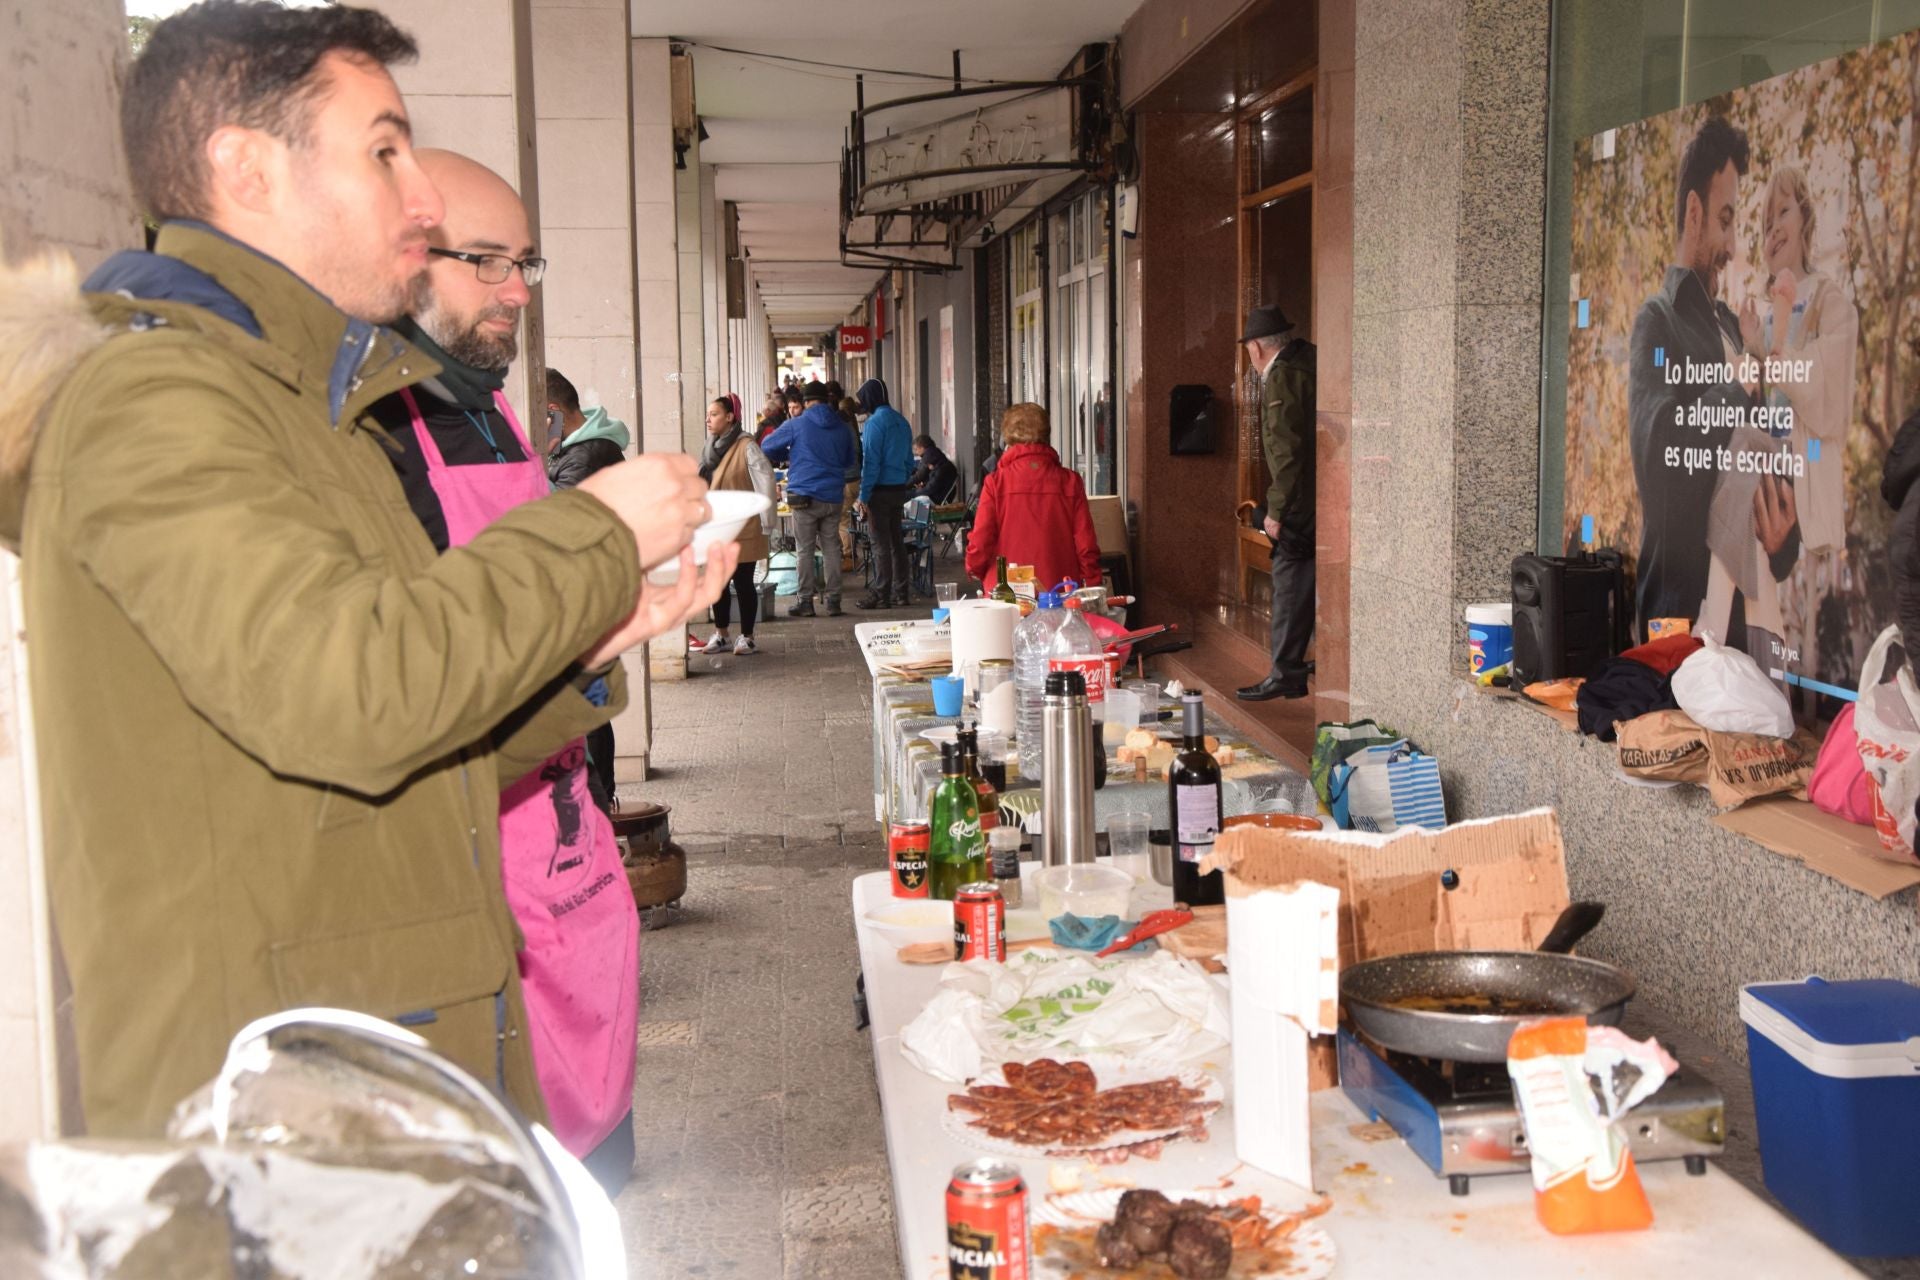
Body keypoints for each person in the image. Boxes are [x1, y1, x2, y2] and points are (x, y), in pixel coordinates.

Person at [0, 0, 731, 1138]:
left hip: (376, 1076)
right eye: (384, 149)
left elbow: (412, 735)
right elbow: (354, 692)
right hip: (284, 1123)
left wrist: (596, 635)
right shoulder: (159, 401)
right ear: (245, 168)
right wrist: (592, 531)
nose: (423, 196)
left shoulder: (311, 405)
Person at [369, 150, 641, 1189]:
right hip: (483, 887)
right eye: (484, 260)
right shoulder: (372, 438)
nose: (516, 290)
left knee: (599, 1188)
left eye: (525, 261)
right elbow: (418, 686)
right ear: (401, 253)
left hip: (572, 877)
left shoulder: (490, 404)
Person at [1628, 114, 1797, 650]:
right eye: (1725, 220)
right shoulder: (1657, 321)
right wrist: (1739, 385)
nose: (1731, 243)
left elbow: (1767, 461)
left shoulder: (1732, 329)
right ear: (1694, 213)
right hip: (1682, 631)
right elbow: (1658, 464)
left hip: (1747, 632)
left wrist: (1783, 538)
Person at [1714, 164, 1855, 689]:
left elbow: (1824, 393)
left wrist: (1771, 356)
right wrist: (1751, 346)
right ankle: (1748, 658)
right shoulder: (1769, 308)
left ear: (1807, 218)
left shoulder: (1828, 299)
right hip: (1766, 462)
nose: (1773, 228)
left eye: (1784, 212)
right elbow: (1759, 392)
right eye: (1766, 218)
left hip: (1801, 474)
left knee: (1743, 452)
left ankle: (1719, 627)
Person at [543, 366, 628, 812]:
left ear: (553, 413)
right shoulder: (584, 448)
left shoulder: (588, 454)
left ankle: (599, 803)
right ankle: (600, 800)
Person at [1236, 304, 1318, 702]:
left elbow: (1287, 452)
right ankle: (1296, 665)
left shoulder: (1283, 376)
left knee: (1288, 572)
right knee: (1304, 574)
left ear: (1255, 347)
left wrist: (1276, 512)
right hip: (1324, 491)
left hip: (1302, 498)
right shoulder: (1309, 361)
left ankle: (1286, 670)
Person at [965, 403, 1101, 593]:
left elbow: (981, 540)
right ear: (1046, 435)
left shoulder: (995, 483)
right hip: (1058, 589)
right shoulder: (1070, 482)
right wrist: (1092, 582)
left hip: (1005, 592)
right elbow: (1085, 544)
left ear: (1008, 439)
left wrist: (974, 568)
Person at [762, 380, 856, 617]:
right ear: (826, 400)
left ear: (806, 402)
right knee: (832, 547)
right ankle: (834, 601)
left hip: (804, 495)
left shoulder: (798, 424)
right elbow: (848, 461)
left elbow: (767, 445)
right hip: (833, 495)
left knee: (804, 549)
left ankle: (806, 601)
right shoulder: (842, 426)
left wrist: (789, 453)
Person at [698, 394, 777, 654]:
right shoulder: (710, 447)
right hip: (716, 527)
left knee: (743, 581)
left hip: (744, 527)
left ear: (730, 417)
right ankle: (721, 634)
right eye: (708, 414)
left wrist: (767, 522)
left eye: (715, 414)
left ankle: (747, 636)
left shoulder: (747, 446)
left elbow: (764, 482)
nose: (708, 419)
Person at [854, 378, 915, 609]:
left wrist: (864, 496)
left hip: (879, 491)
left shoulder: (874, 424)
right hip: (899, 489)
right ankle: (902, 592)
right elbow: (909, 461)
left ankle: (882, 594)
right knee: (897, 542)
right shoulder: (902, 421)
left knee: (880, 545)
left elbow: (871, 463)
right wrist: (901, 478)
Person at [546, 368, 631, 491]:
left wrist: (532, 466)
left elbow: (554, 508)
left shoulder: (583, 460)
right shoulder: (566, 446)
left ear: (553, 411)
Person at [835, 391, 864, 572]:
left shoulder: (841, 432)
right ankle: (851, 551)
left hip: (845, 480)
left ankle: (848, 555)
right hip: (856, 478)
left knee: (843, 520)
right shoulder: (853, 428)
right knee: (850, 519)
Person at [909, 433, 959, 505]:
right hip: (936, 495)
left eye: (916, 449)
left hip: (935, 498)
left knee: (906, 495)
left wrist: (915, 491)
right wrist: (923, 485)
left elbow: (928, 487)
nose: (928, 467)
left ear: (922, 447)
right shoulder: (938, 462)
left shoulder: (936, 463)